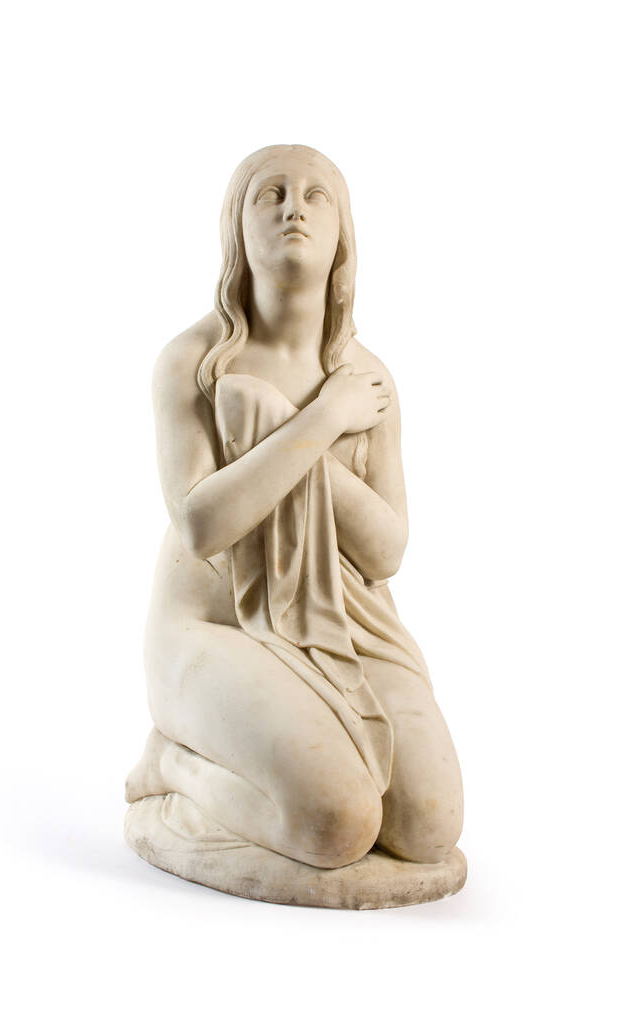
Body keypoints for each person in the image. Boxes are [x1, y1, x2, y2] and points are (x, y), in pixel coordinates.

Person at [126, 144, 463, 872]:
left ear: (343, 233)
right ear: (236, 230)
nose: (293, 210)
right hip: (216, 626)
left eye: (316, 196)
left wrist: (306, 424)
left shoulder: (366, 380)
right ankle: (174, 764)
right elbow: (202, 524)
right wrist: (321, 422)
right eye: (270, 194)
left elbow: (386, 552)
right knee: (336, 825)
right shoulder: (194, 362)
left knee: (431, 827)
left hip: (348, 624)